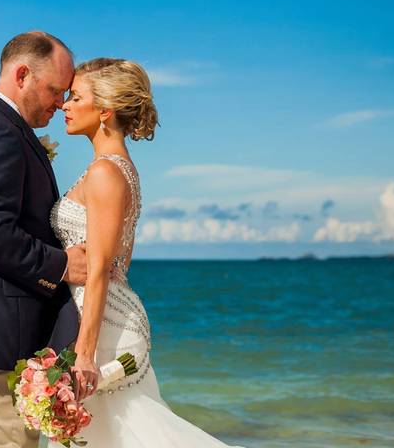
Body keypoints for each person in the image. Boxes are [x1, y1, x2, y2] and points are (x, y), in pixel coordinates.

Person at [50, 57, 247, 447]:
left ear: (104, 111)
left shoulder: (106, 172)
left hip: (100, 320)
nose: (64, 106)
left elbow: (102, 267)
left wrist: (85, 353)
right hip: (102, 312)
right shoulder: (119, 168)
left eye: (75, 97)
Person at [0, 30, 88, 448]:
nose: (60, 103)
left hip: (2, 328)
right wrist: (61, 266)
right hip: (7, 334)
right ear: (22, 74)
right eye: (54, 90)